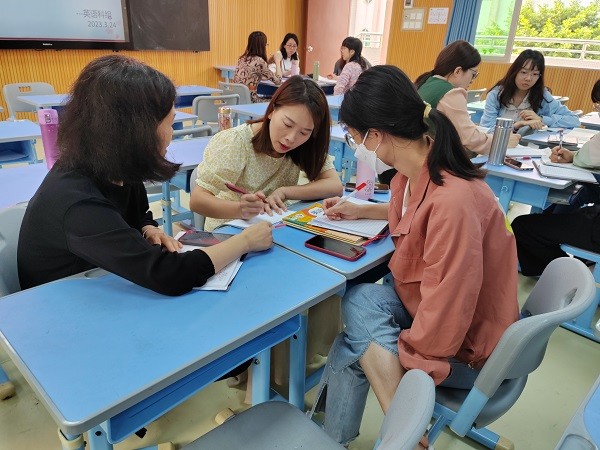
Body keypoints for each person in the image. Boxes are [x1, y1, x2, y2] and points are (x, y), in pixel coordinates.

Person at [310, 65, 519, 446]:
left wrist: (414, 372)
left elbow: (447, 311)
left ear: (376, 135)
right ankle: (337, 438)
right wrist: (362, 209)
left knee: (355, 333)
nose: (356, 147)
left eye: (355, 137)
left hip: (468, 351)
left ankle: (404, 427)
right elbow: (415, 212)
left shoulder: (453, 202)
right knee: (359, 306)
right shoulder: (415, 173)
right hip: (432, 311)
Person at [17, 55, 273, 297]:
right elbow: (170, 275)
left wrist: (147, 227)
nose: (171, 134)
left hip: (103, 281)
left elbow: (139, 213)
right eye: (170, 123)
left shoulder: (115, 165)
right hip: (64, 303)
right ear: (137, 131)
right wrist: (245, 241)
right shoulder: (78, 203)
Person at [190, 75, 343, 232]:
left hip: (273, 226)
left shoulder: (305, 144)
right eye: (287, 124)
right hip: (229, 230)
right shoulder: (237, 142)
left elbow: (334, 185)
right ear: (272, 111)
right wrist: (241, 209)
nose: (291, 138)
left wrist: (285, 192)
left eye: (304, 132)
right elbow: (197, 200)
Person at [512, 79, 600, 276]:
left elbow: (587, 155)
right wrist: (574, 156)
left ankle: (567, 277)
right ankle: (575, 265)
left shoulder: (543, 94)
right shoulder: (499, 93)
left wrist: (576, 157)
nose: (528, 78)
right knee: (574, 198)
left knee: (523, 225)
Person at [415, 39, 520, 155]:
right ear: (458, 71)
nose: (472, 80)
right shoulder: (452, 93)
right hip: (436, 158)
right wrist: (503, 141)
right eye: (474, 74)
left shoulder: (425, 83)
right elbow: (470, 139)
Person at [480, 49, 580, 134]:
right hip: (497, 146)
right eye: (524, 72)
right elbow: (486, 129)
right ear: (514, 71)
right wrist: (517, 125)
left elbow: (574, 120)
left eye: (535, 74)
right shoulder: (496, 95)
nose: (528, 78)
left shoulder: (542, 96)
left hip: (527, 148)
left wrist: (541, 119)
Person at [233, 31, 282, 103]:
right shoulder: (260, 61)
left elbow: (255, 74)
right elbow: (278, 81)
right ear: (262, 45)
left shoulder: (242, 59)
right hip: (251, 100)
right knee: (278, 101)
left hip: (238, 100)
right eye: (266, 44)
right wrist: (277, 61)